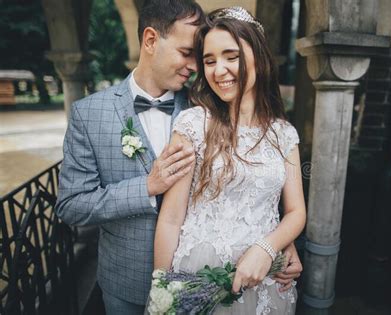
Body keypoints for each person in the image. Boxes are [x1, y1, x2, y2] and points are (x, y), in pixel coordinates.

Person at [153, 7, 306, 314]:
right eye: (209, 61)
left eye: (230, 56)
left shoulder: (283, 134)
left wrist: (267, 248)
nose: (218, 70)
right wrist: (164, 292)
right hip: (199, 274)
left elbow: (295, 211)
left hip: (265, 279)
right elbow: (170, 218)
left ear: (258, 58)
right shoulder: (193, 125)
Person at [55, 1, 204, 314]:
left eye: (197, 56)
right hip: (125, 286)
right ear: (150, 40)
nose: (194, 66)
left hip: (197, 283)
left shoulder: (204, 111)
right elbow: (71, 206)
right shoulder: (88, 114)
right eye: (186, 52)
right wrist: (147, 187)